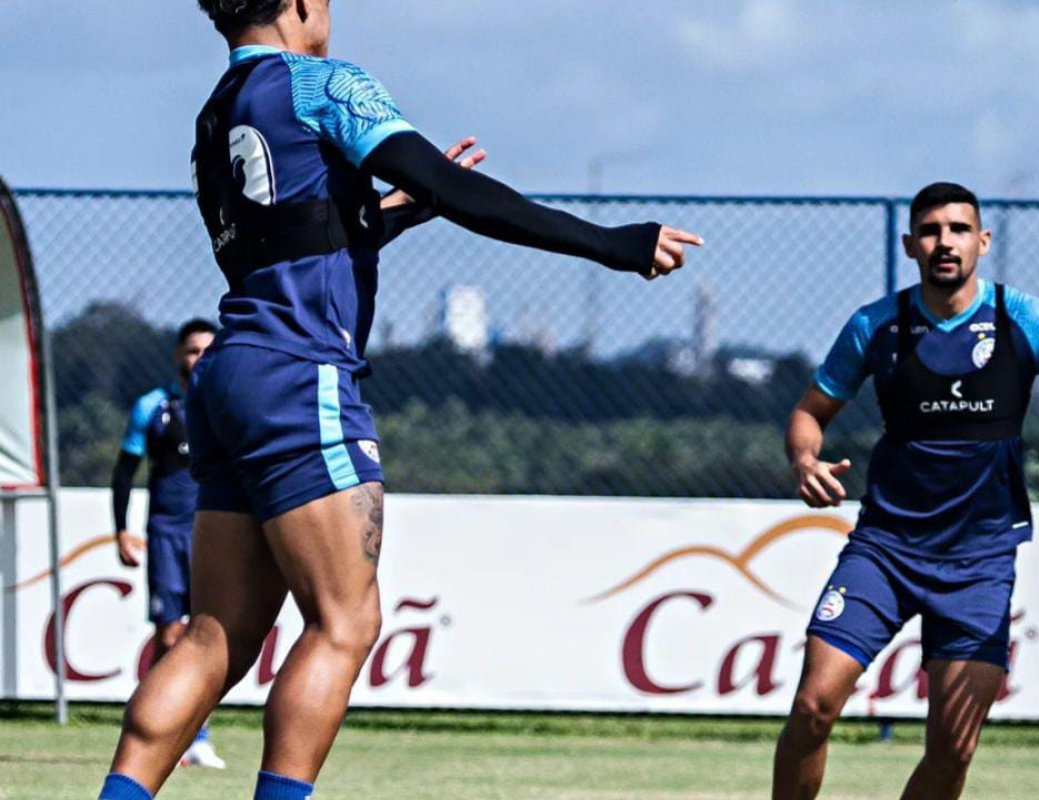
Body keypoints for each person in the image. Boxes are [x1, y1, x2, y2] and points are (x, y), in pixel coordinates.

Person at [97, 2, 701, 799]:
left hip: (232, 370)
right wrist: (613, 244)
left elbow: (287, 243)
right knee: (344, 623)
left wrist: (382, 217)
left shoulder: (216, 113)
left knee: (218, 634)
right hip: (298, 369)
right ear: (301, 2)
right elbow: (459, 188)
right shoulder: (323, 85)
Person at [772, 182, 1039, 800]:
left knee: (954, 748)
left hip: (979, 563)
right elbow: (810, 410)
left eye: (959, 229)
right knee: (812, 708)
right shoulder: (876, 326)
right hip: (884, 548)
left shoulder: (1027, 320)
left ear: (982, 241)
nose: (944, 242)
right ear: (909, 244)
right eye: (930, 231)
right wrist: (804, 458)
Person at [111, 319, 223, 770]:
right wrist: (120, 528)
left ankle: (198, 737)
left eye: (207, 351)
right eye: (192, 351)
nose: (198, 359)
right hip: (166, 531)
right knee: (170, 633)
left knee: (209, 634)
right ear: (178, 356)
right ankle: (159, 730)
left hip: (215, 532)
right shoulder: (152, 407)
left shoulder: (228, 405)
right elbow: (124, 472)